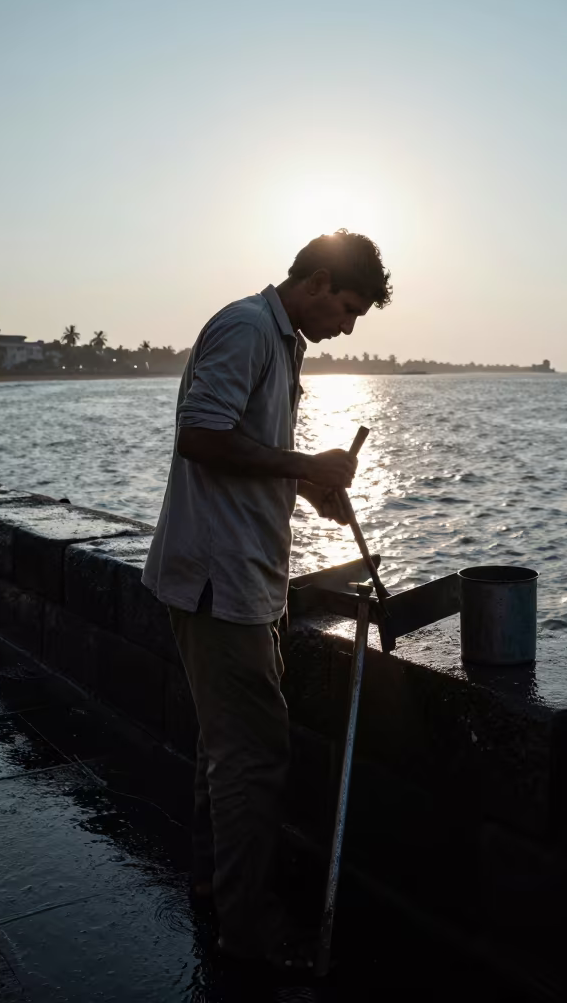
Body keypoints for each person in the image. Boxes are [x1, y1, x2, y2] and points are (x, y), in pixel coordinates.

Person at [142, 229, 392, 967]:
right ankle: (247, 936)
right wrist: (301, 462)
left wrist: (308, 488)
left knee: (223, 750)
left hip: (240, 576)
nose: (347, 326)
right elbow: (201, 436)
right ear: (317, 281)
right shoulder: (249, 328)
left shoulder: (282, 341)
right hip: (220, 581)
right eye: (347, 309)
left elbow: (244, 449)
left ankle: (214, 891)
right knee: (253, 758)